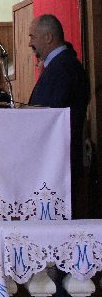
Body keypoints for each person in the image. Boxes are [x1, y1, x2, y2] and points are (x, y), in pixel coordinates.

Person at [27, 14, 90, 210]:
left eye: (32, 36)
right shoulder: (61, 65)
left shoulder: (63, 67)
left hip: (58, 159)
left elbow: (49, 113)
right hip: (56, 157)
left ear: (48, 37)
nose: (30, 43)